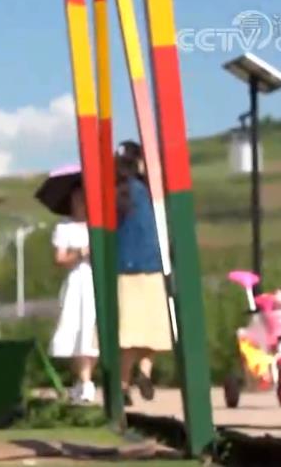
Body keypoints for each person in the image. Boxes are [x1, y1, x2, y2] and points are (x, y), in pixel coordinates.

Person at [113, 140, 173, 406]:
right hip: (152, 265)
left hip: (123, 269)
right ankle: (145, 372)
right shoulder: (150, 193)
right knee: (153, 330)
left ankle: (123, 386)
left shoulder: (115, 193)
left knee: (128, 335)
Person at [49, 182, 98, 403]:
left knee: (91, 331)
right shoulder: (64, 227)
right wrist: (80, 253)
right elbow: (59, 259)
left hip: (94, 282)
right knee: (74, 329)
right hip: (76, 282)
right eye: (77, 199)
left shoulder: (96, 225)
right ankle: (84, 382)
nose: (81, 204)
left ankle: (86, 381)